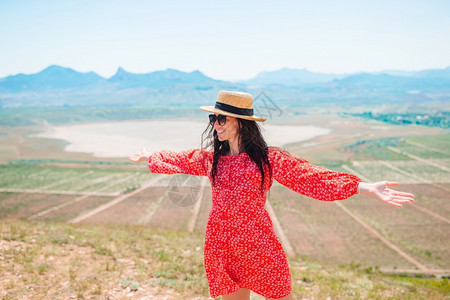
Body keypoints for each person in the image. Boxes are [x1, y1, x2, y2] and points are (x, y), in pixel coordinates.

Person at [128, 90, 415, 300]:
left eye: (221, 118)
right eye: (213, 118)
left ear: (240, 121)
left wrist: (362, 187)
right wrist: (151, 155)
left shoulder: (267, 159)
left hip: (257, 241)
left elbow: (311, 176)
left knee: (280, 296)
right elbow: (181, 158)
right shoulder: (212, 159)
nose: (215, 124)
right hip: (222, 241)